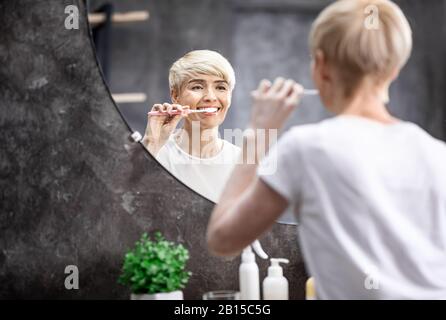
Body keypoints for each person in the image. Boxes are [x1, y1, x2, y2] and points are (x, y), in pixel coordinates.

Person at [207, 0, 446, 299]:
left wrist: (259, 131)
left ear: (320, 65)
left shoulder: (307, 149)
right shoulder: (438, 155)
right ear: (394, 69)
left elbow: (222, 239)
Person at [142, 50, 241, 202]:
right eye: (197, 87)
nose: (210, 97)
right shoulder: (156, 154)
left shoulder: (243, 164)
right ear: (175, 96)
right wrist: (151, 143)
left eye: (221, 87)